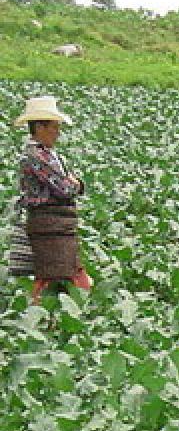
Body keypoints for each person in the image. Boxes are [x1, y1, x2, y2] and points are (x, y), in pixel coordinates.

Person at [13, 96, 91, 305]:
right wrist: (78, 184)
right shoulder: (36, 156)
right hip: (48, 226)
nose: (58, 132)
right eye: (54, 127)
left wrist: (73, 183)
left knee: (63, 274)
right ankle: (43, 318)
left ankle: (50, 316)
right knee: (53, 277)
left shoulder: (47, 154)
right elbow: (65, 188)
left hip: (56, 226)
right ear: (39, 127)